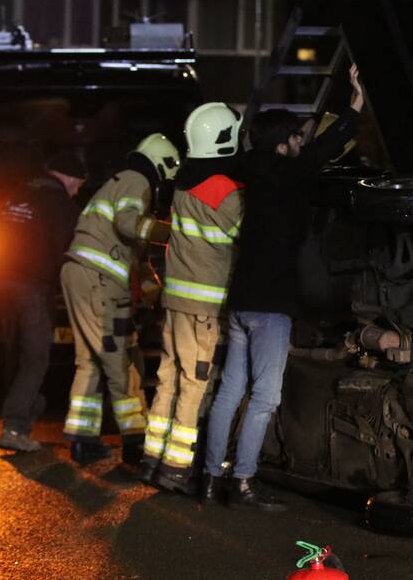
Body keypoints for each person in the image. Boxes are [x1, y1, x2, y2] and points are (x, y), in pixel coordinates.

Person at [202, 65, 364, 510]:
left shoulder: (252, 170)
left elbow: (306, 150)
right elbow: (323, 151)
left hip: (240, 302)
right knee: (265, 396)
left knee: (231, 390)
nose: (300, 143)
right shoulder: (289, 175)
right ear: (281, 145)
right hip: (271, 305)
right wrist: (354, 106)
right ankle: (245, 483)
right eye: (295, 138)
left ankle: (211, 477)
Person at [142, 103, 244, 494]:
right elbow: (249, 236)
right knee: (194, 385)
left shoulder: (183, 185)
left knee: (167, 379)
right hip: (205, 307)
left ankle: (153, 459)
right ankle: (175, 467)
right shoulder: (227, 191)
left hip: (175, 302)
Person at [61, 134, 180, 465]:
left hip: (82, 275)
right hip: (100, 282)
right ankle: (134, 441)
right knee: (121, 358)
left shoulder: (120, 182)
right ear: (162, 167)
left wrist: (156, 298)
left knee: (91, 360)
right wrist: (171, 233)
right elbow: (129, 226)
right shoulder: (136, 181)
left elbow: (137, 261)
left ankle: (83, 440)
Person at [0, 150, 86, 453]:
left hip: (2, 285)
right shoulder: (60, 204)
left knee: (17, 355)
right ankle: (15, 427)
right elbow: (71, 250)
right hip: (31, 289)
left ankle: (29, 407)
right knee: (36, 358)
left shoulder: (16, 196)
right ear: (66, 177)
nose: (77, 190)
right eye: (77, 184)